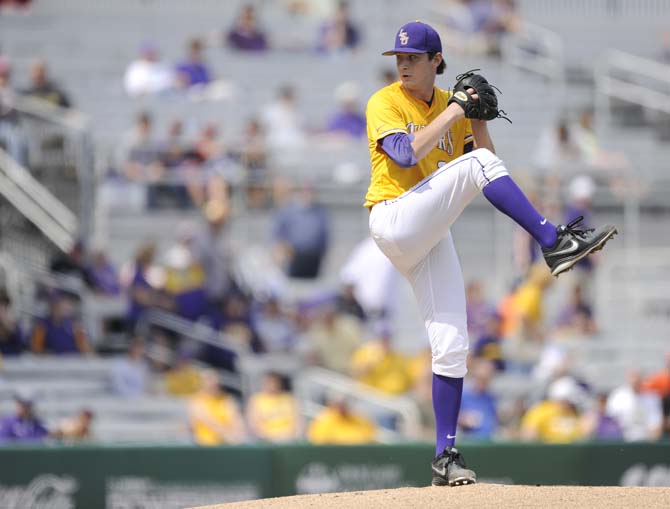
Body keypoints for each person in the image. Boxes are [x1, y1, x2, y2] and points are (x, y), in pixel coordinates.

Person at [365, 21, 617, 487]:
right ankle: (552, 241)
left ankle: (445, 456)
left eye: (414, 57)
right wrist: (455, 111)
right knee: (476, 165)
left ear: (436, 61)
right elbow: (404, 155)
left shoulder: (449, 106)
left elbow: (486, 161)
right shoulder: (385, 101)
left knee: (453, 346)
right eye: (398, 57)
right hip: (394, 216)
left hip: (428, 234)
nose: (403, 64)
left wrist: (475, 118)